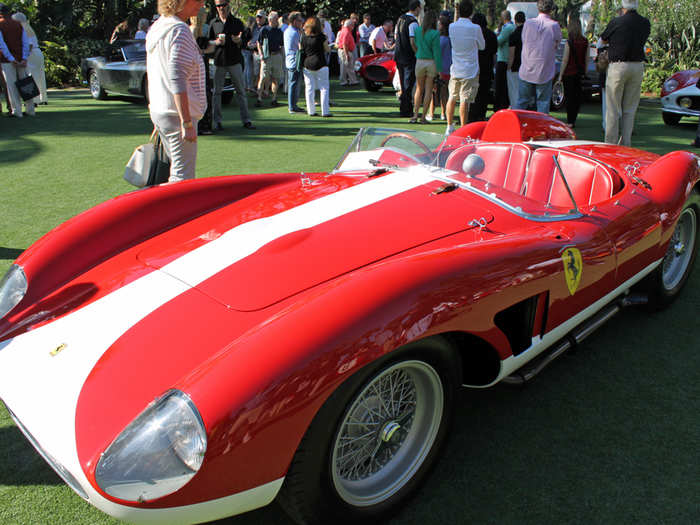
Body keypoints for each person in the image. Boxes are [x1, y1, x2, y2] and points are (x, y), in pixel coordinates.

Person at [146, 0, 206, 181]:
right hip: (175, 114)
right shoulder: (179, 30)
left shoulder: (158, 27)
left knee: (176, 173)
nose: (201, 4)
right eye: (197, 0)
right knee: (182, 177)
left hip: (162, 110)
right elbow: (177, 78)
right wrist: (186, 122)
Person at [601, 0, 650, 147]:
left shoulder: (617, 22)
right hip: (637, 66)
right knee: (630, 108)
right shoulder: (645, 23)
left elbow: (602, 40)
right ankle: (626, 143)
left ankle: (610, 144)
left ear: (623, 6)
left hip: (618, 66)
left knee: (613, 108)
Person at [208, 0, 254, 130]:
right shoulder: (213, 23)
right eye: (218, 6)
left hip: (234, 60)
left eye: (223, 5)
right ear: (216, 7)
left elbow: (246, 37)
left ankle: (246, 120)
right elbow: (208, 42)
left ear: (228, 6)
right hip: (219, 61)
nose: (221, 8)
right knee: (216, 93)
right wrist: (216, 42)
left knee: (240, 91)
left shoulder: (237, 22)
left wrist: (240, 40)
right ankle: (217, 122)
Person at [516, 0, 561, 114]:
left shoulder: (528, 23)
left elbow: (523, 40)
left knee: (522, 102)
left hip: (527, 68)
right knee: (543, 103)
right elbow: (557, 43)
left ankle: (515, 126)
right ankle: (542, 130)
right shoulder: (554, 26)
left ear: (538, 8)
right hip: (544, 70)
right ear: (551, 9)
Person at [445, 0, 484, 133]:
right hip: (470, 70)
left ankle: (449, 126)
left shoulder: (452, 27)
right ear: (471, 12)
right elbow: (482, 46)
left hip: (456, 68)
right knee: (464, 100)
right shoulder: (475, 28)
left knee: (452, 97)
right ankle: (463, 128)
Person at [0, 3, 34, 118]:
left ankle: (17, 111)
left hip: (7, 60)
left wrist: (10, 58)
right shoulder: (18, 24)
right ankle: (30, 109)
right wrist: (24, 58)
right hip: (21, 58)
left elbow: (2, 45)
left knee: (11, 86)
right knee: (26, 83)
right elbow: (25, 42)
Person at [557, 15, 588, 128]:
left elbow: (565, 59)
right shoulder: (585, 41)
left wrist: (560, 75)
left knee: (569, 97)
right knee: (577, 97)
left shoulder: (569, 42)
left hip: (569, 72)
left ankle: (569, 120)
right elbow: (586, 58)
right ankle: (573, 119)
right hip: (579, 73)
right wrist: (585, 71)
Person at [411, 9, 440, 123]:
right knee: (428, 90)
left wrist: (417, 52)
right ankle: (423, 117)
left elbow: (413, 43)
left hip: (420, 60)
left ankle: (415, 115)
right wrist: (439, 69)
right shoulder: (435, 33)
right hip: (431, 62)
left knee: (419, 88)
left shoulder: (418, 30)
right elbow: (437, 52)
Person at [394, 0, 422, 118]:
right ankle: (406, 109)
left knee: (403, 82)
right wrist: (417, 53)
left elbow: (396, 36)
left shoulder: (400, 18)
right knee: (408, 84)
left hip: (399, 55)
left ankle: (404, 107)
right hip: (408, 57)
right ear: (416, 8)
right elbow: (412, 41)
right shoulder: (413, 22)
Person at [11, 12, 46, 105]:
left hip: (31, 53)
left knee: (31, 75)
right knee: (40, 75)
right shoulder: (29, 28)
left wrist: (25, 56)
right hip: (38, 52)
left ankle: (34, 99)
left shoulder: (23, 29)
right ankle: (43, 98)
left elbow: (29, 44)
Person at [468, 12, 497, 122]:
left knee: (473, 94)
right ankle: (481, 115)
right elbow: (494, 53)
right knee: (484, 94)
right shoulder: (491, 35)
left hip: (474, 67)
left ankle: (471, 115)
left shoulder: (473, 34)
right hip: (487, 67)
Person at [300, 16, 331, 117]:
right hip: (320, 63)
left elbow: (301, 50)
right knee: (324, 88)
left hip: (307, 64)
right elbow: (327, 49)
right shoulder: (322, 37)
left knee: (309, 88)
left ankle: (311, 111)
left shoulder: (303, 37)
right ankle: (325, 111)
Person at [189, 7, 213, 135]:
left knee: (206, 91)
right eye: (203, 14)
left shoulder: (205, 28)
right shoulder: (192, 29)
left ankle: (206, 124)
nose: (205, 16)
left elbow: (205, 49)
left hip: (203, 62)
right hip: (195, 64)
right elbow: (193, 49)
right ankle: (198, 124)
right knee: (197, 91)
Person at [256, 11, 284, 107]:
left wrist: (282, 57)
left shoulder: (279, 31)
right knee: (263, 77)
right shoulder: (264, 30)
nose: (277, 21)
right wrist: (261, 55)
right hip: (266, 56)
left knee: (275, 78)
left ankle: (274, 98)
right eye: (276, 19)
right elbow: (259, 43)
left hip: (276, 56)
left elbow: (282, 45)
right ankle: (259, 98)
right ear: (270, 19)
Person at [494, 10, 514, 110]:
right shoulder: (512, 27)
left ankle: (499, 106)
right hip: (507, 58)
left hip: (503, 59)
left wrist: (495, 36)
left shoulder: (507, 28)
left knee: (500, 85)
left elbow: (498, 41)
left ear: (503, 18)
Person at [284, 11, 304, 114]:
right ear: (295, 21)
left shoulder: (289, 30)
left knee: (294, 83)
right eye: (300, 20)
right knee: (293, 83)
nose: (302, 23)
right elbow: (299, 46)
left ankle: (294, 105)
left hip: (291, 60)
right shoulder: (293, 32)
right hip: (294, 60)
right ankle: (291, 107)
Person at [507, 11, 525, 109]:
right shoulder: (528, 33)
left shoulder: (514, 35)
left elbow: (511, 54)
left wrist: (508, 67)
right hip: (526, 66)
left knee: (514, 92)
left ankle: (515, 110)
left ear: (515, 20)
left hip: (515, 67)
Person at [336, 19, 358, 86]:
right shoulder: (346, 32)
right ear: (349, 25)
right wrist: (346, 54)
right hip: (345, 51)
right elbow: (344, 44)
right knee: (344, 67)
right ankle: (344, 82)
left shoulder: (345, 30)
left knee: (349, 66)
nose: (353, 27)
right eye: (352, 25)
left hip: (346, 50)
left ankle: (352, 81)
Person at [242, 16, 256, 93]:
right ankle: (248, 86)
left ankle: (246, 85)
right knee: (248, 69)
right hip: (247, 50)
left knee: (246, 68)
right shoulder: (248, 31)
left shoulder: (245, 29)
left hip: (244, 50)